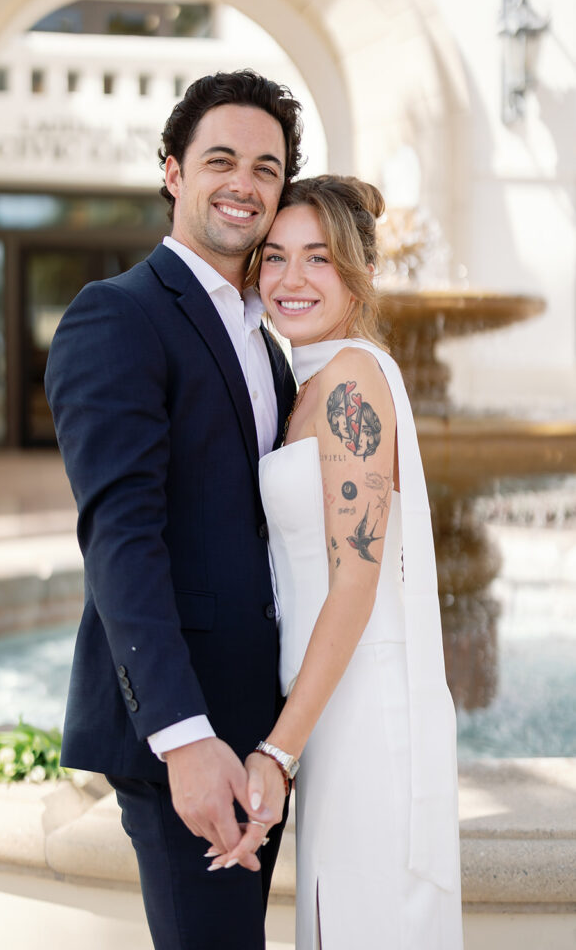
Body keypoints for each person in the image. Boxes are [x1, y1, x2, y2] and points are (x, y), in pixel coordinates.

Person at [44, 70, 300, 950]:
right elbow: (119, 536)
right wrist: (182, 738)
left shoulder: (267, 340)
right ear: (172, 172)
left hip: (263, 719)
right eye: (221, 159)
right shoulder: (115, 317)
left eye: (266, 168)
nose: (244, 183)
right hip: (183, 725)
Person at [210, 175, 464, 948]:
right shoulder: (308, 382)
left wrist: (276, 754)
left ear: (357, 272)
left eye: (317, 259)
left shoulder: (351, 379)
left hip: (366, 715)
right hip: (327, 707)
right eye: (275, 257)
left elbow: (355, 581)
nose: (289, 280)